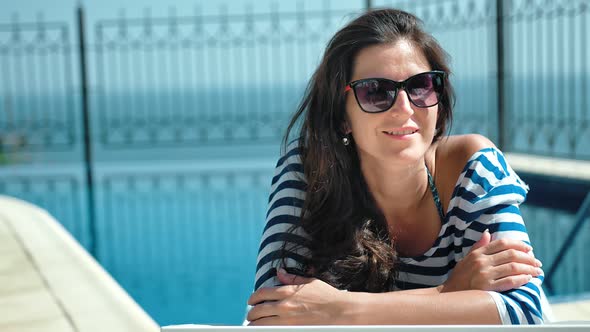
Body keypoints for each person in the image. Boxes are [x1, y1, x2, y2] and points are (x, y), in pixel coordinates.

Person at [247, 8, 550, 325]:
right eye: (376, 91)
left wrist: (343, 309)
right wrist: (452, 292)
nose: (404, 108)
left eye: (421, 86)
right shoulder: (310, 171)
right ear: (341, 116)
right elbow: (272, 313)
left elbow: (527, 313)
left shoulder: (472, 168)